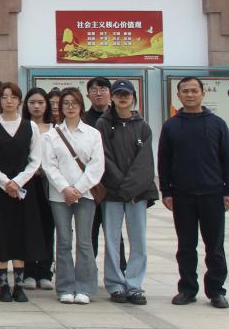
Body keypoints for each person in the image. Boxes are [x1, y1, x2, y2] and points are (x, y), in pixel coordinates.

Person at [158, 77, 229, 309]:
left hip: (213, 194)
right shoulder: (171, 125)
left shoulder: (217, 124)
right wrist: (166, 191)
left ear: (203, 93)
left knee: (215, 247)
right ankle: (187, 289)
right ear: (178, 95)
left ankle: (216, 291)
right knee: (185, 246)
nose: (190, 95)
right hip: (182, 195)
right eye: (185, 91)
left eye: (194, 91)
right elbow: (164, 160)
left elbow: (228, 158)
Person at [0, 82, 46, 303]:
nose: (9, 101)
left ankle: (19, 284)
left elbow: (35, 160)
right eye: (4, 97)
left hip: (23, 190)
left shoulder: (30, 127)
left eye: (13, 97)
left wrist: (17, 182)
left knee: (20, 235)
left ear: (19, 101)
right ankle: (4, 286)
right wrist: (5, 182)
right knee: (1, 234)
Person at [97, 79, 157, 306]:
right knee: (112, 240)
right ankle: (115, 284)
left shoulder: (142, 126)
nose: (123, 98)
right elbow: (103, 156)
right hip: (112, 192)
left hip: (137, 194)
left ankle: (134, 285)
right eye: (119, 94)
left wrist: (130, 187)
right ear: (112, 97)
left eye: (127, 94)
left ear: (133, 97)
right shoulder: (103, 124)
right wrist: (120, 184)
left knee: (138, 239)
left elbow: (145, 162)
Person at [42, 87, 104, 305]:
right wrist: (65, 189)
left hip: (85, 195)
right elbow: (49, 166)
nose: (70, 107)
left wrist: (78, 188)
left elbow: (97, 166)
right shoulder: (51, 135)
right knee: (64, 241)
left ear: (81, 106)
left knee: (84, 241)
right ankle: (65, 287)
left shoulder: (93, 134)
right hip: (59, 195)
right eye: (66, 103)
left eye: (74, 103)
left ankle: (85, 287)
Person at [22, 87, 55, 291]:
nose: (36, 106)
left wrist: (45, 170)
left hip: (50, 183)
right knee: (28, 226)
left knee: (47, 227)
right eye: (32, 102)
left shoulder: (55, 128)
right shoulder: (22, 126)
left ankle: (45, 271)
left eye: (41, 103)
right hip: (27, 182)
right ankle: (29, 271)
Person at [84, 77, 112, 260]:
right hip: (89, 186)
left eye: (103, 89)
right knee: (89, 232)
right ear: (88, 95)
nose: (98, 93)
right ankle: (89, 270)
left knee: (114, 233)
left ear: (110, 93)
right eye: (94, 90)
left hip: (112, 184)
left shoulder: (118, 117)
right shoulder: (83, 119)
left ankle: (120, 270)